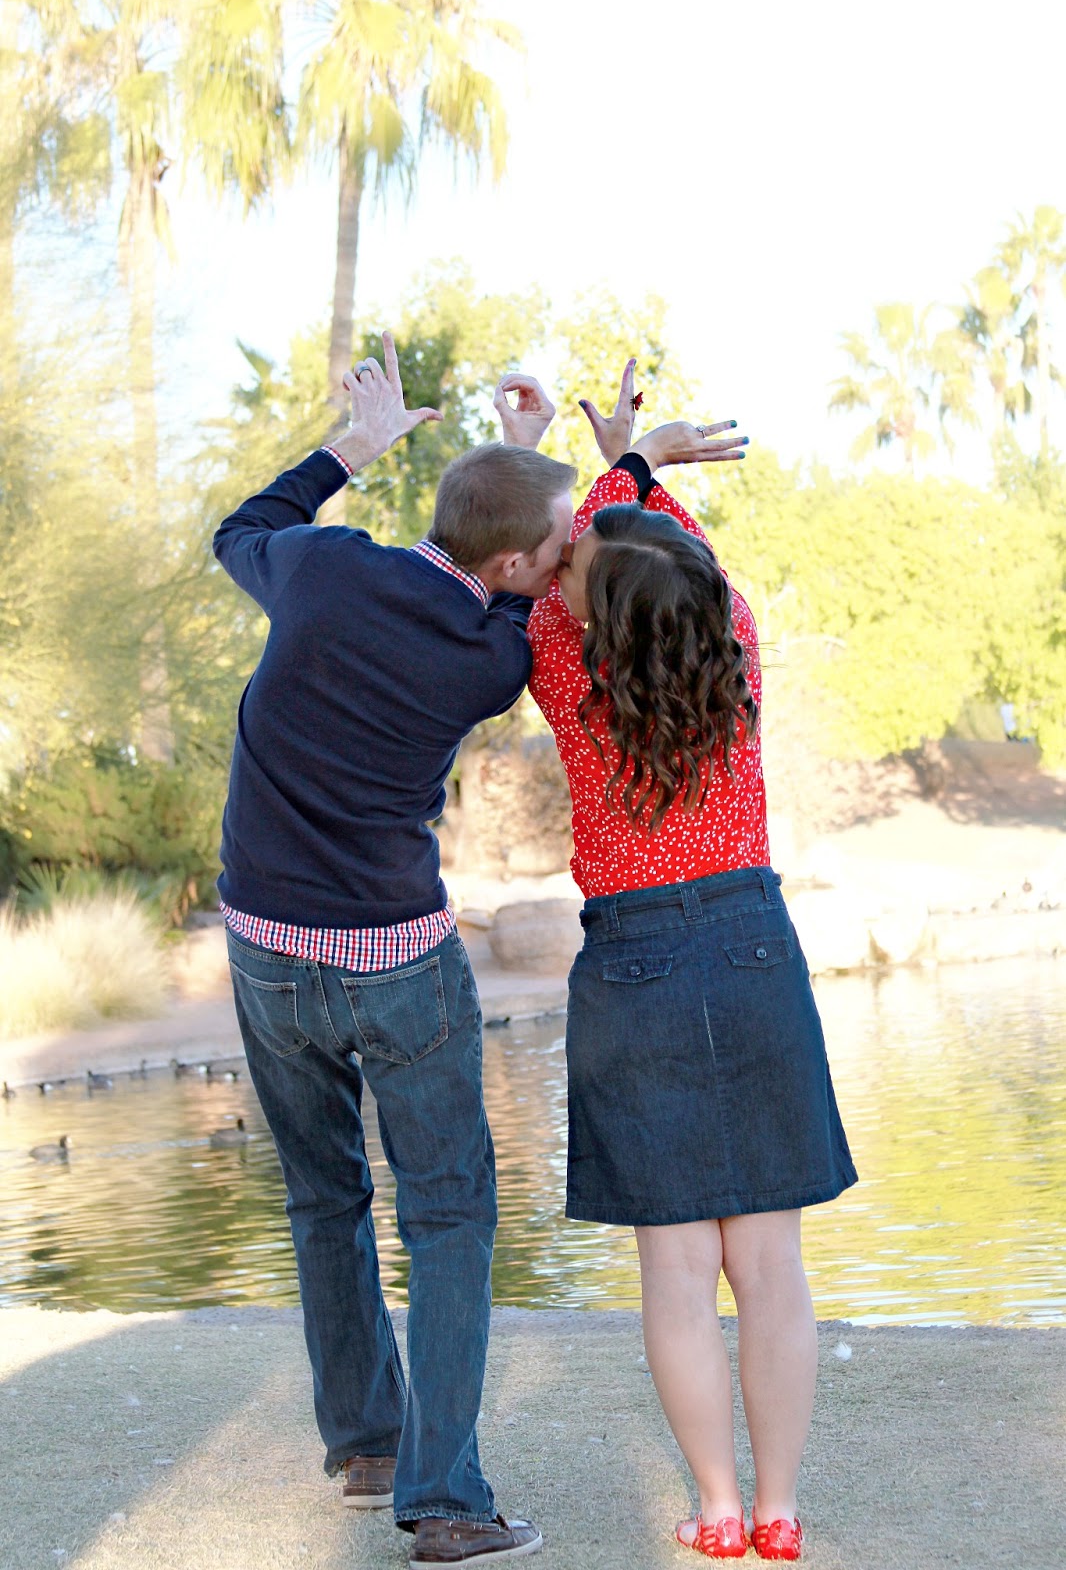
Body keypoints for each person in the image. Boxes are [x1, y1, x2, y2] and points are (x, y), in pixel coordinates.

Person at [213, 333, 571, 1566]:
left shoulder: (318, 571)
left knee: (325, 1197)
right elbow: (516, 574)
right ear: (520, 562)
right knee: (452, 1213)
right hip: (397, 961)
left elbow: (239, 528)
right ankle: (447, 1502)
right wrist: (530, 461)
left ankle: (366, 1444)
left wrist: (348, 450)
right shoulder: (492, 659)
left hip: (264, 952)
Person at [496, 364, 857, 1562]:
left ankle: (709, 1503)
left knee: (675, 1274)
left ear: (592, 616)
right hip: (750, 947)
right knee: (769, 1264)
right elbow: (655, 550)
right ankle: (778, 1506)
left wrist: (599, 455)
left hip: (633, 962)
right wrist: (634, 461)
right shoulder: (735, 642)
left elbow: (571, 555)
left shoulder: (566, 667)